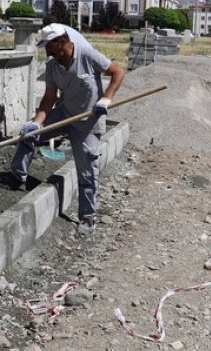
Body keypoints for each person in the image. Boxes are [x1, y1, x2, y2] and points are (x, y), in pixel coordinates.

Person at [9, 23, 126, 236]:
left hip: (88, 121)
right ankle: (17, 180)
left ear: (62, 43)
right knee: (28, 134)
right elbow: (49, 98)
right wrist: (37, 122)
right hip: (65, 114)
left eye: (49, 46)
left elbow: (118, 71)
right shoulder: (53, 66)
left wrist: (106, 98)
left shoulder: (87, 55)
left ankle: (87, 219)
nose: (47, 51)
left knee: (88, 171)